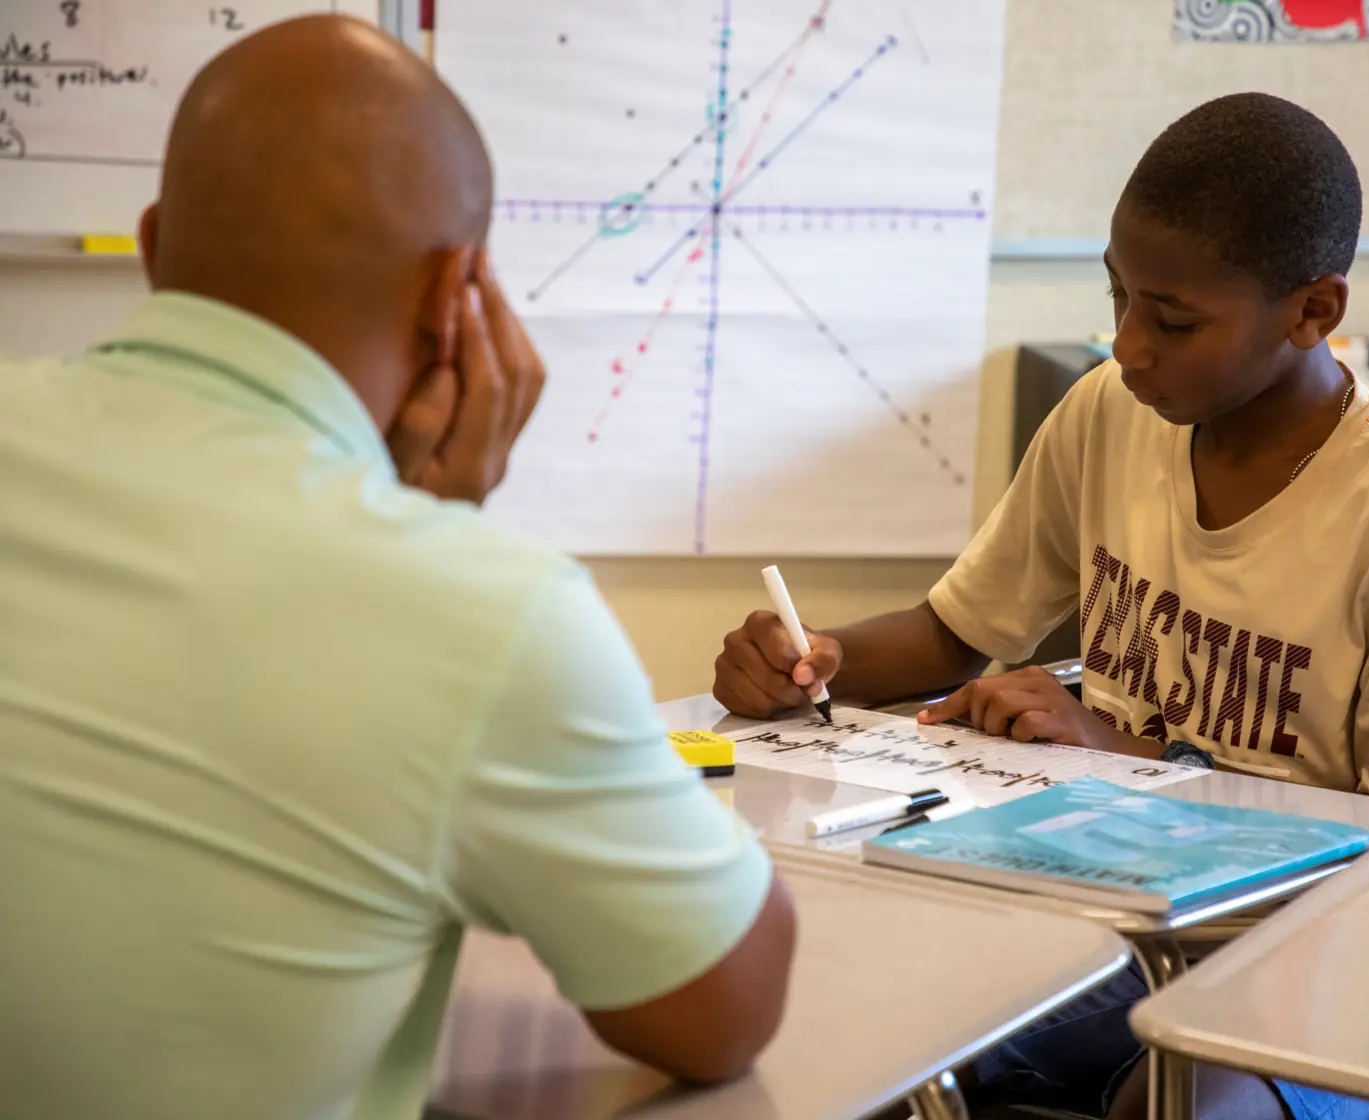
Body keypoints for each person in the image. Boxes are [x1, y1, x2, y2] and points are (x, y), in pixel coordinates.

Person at [0, 15, 793, 1120]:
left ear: (150, 244)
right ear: (453, 304)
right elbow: (726, 1007)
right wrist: (436, 534)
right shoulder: (480, 611)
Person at [713, 93, 1369, 1120]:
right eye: (1117, 296)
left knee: (1180, 1103)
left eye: (1171, 320)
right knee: (849, 1025)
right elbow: (958, 630)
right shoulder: (1108, 415)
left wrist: (1131, 760)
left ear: (1313, 312)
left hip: (1297, 957)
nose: (1128, 347)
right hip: (1095, 913)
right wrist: (819, 657)